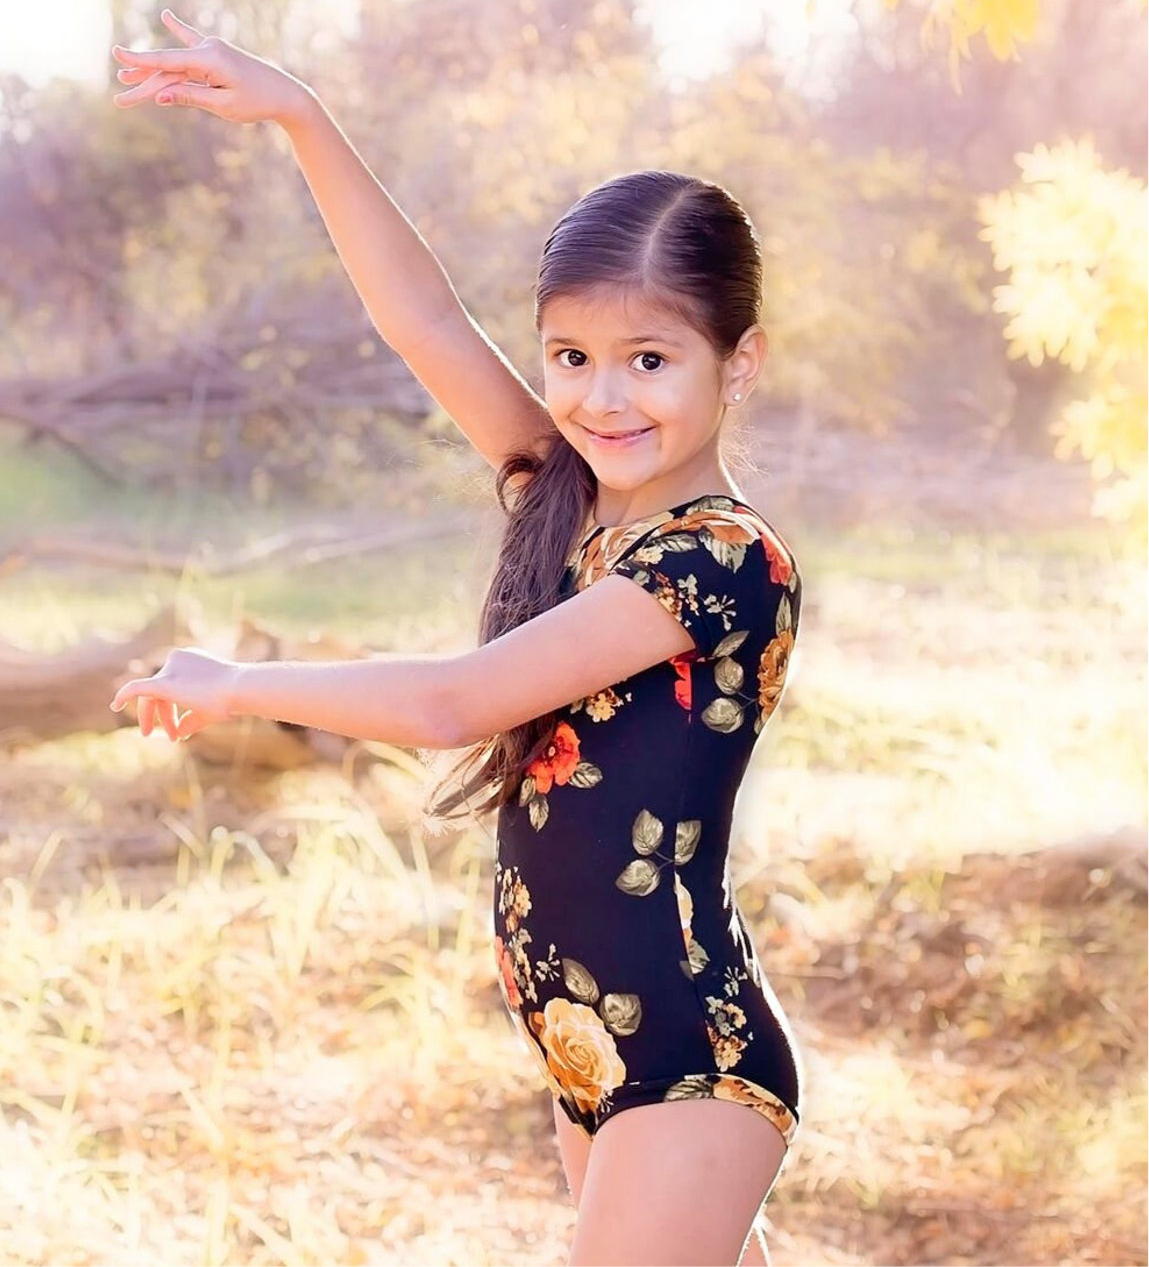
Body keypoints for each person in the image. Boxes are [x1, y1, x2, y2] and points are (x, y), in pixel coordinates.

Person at [108, 11, 805, 1266]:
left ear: (737, 363)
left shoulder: (720, 560)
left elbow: (456, 702)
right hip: (589, 1047)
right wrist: (300, 116)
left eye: (651, 358)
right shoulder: (574, 501)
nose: (604, 394)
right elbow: (424, 323)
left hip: (687, 1059)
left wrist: (237, 683)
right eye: (572, 355)